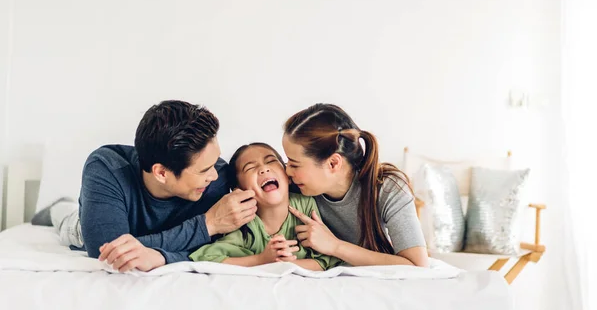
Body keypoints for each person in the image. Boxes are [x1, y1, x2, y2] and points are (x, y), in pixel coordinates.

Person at [31, 100, 258, 272]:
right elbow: (108, 251)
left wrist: (159, 257)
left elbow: (213, 251)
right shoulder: (107, 168)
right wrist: (207, 225)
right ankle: (57, 208)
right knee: (67, 221)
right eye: (202, 170)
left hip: (136, 230)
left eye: (214, 163)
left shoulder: (217, 176)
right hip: (85, 227)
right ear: (161, 172)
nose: (214, 176)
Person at [282, 103, 428, 267]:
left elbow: (418, 266)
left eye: (294, 165)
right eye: (287, 162)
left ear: (333, 163)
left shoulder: (387, 188)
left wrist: (335, 246)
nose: (286, 172)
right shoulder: (294, 188)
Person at [189, 143, 342, 271]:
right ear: (239, 191)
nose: (263, 169)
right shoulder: (243, 222)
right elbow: (206, 258)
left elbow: (325, 260)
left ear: (288, 176)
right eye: (250, 168)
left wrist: (287, 264)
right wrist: (261, 260)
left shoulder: (306, 206)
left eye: (270, 161)